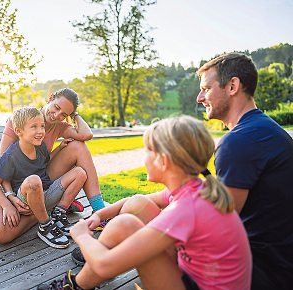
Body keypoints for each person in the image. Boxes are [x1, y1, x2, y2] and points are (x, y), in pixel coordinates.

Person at [38, 116, 252, 290]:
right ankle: (77, 285)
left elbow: (104, 265)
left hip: (194, 283)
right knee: (127, 220)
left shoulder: (186, 210)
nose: (145, 158)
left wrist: (81, 234)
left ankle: (80, 280)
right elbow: (134, 201)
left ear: (164, 160)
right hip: (193, 274)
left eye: (148, 152)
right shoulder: (194, 189)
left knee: (106, 258)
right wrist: (99, 215)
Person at [196, 53, 293, 289]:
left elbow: (219, 225)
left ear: (232, 86)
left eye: (206, 89)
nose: (200, 98)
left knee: (149, 247)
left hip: (262, 272)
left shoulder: (239, 141)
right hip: (279, 262)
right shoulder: (264, 128)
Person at [0, 88, 107, 243]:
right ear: (51, 98)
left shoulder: (58, 126)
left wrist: (74, 115)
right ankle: (47, 210)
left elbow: (86, 135)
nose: (57, 116)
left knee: (79, 146)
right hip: (13, 186)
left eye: (64, 114)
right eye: (57, 108)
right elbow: (1, 165)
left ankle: (100, 212)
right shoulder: (19, 121)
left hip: (39, 181)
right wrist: (9, 197)